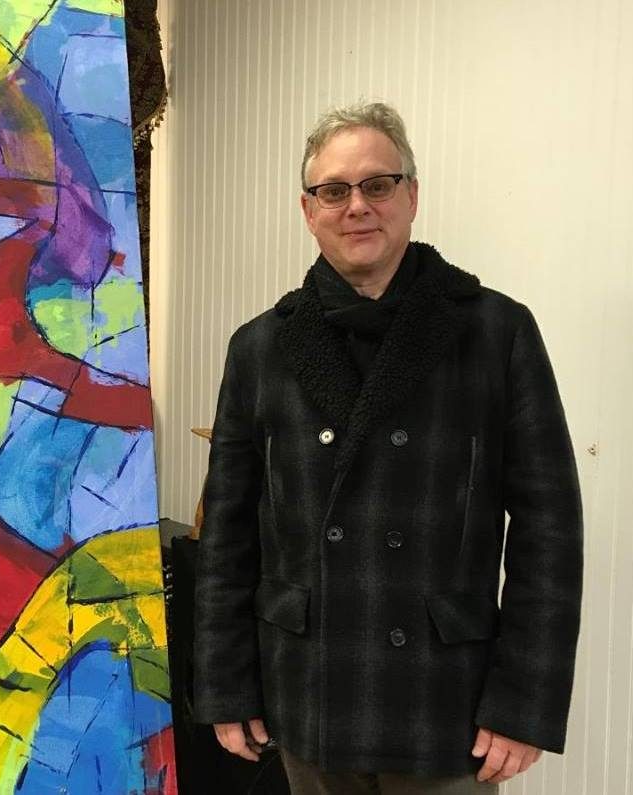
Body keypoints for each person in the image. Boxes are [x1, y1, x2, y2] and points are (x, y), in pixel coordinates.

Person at [193, 102, 583, 794]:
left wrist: (524, 701)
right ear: (308, 210)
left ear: (411, 196)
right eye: (334, 190)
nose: (357, 206)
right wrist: (226, 686)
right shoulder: (260, 347)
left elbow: (548, 531)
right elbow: (227, 534)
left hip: (445, 697)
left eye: (378, 184)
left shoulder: (495, 331)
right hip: (307, 687)